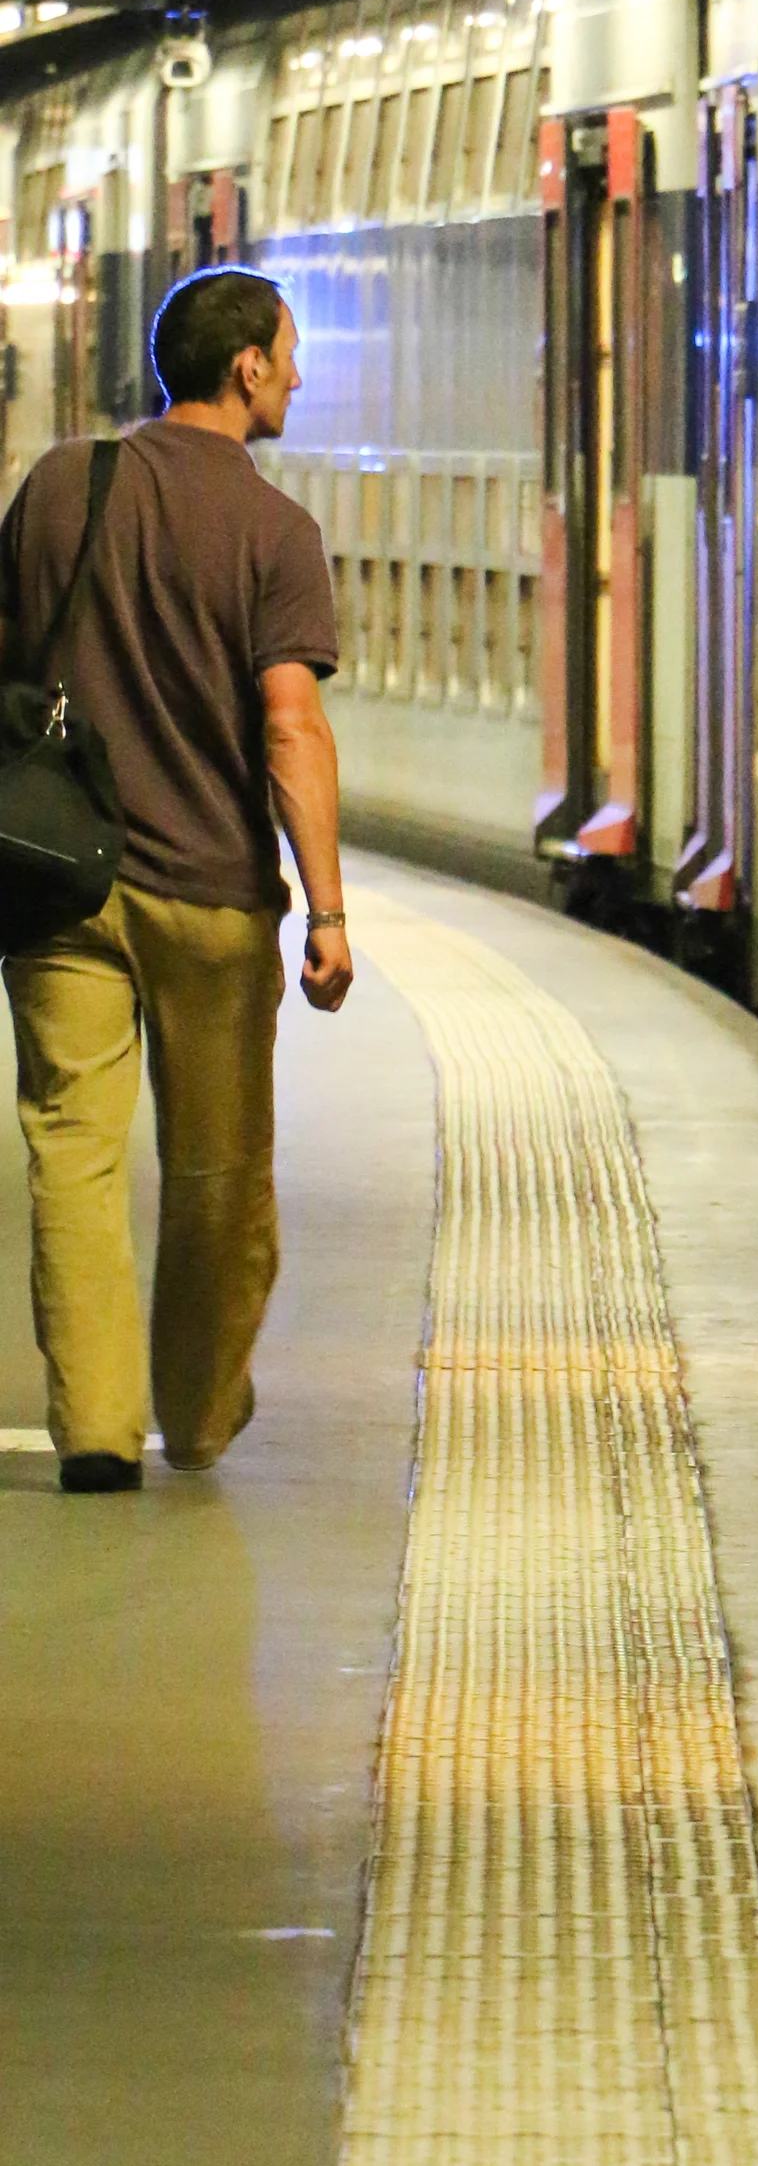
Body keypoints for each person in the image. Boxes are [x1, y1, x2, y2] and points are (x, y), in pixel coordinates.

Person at [0, 266, 350, 1492]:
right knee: (217, 1173)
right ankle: (195, 1414)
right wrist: (327, 909)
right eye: (289, 354)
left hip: (61, 882)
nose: (297, 375)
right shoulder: (275, 533)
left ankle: (96, 1432)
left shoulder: (61, 485)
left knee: (72, 1153)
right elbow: (291, 729)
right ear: (247, 366)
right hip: (210, 896)